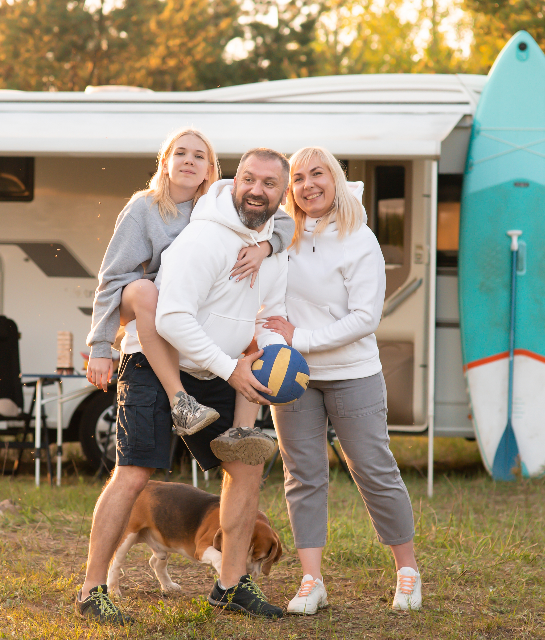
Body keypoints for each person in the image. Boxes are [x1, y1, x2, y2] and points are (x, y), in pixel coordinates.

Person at [77, 148, 291, 625]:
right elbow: (167, 315)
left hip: (216, 367)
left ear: (282, 193)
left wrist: (272, 348)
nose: (257, 190)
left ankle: (231, 585)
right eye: (250, 179)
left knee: (248, 464)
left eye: (270, 184)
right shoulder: (202, 235)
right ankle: (93, 589)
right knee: (134, 472)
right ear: (233, 182)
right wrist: (99, 344)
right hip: (156, 359)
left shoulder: (272, 243)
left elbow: (270, 313)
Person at [263, 146, 422, 614]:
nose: (308, 184)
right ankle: (311, 580)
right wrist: (276, 346)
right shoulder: (280, 235)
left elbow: (365, 318)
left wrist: (301, 339)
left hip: (352, 373)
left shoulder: (359, 238)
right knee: (302, 475)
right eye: (297, 177)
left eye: (318, 174)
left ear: (334, 180)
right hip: (292, 376)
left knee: (373, 469)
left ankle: (407, 571)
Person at [85, 127, 291, 436]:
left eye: (199, 156)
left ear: (210, 170)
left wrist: (265, 247)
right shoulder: (144, 208)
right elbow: (111, 277)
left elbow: (284, 220)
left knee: (249, 330)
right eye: (180, 153)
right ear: (165, 162)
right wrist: (101, 347)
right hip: (136, 299)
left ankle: (243, 430)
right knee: (145, 291)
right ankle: (179, 399)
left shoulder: (214, 206)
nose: (188, 161)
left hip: (172, 304)